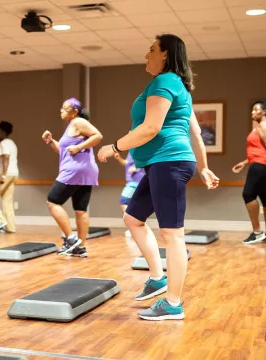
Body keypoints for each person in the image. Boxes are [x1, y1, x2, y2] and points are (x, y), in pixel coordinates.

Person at [97, 34, 219, 321]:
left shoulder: (165, 82)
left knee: (173, 233)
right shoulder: (179, 88)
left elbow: (150, 128)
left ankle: (173, 303)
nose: (146, 55)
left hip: (169, 163)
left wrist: (114, 146)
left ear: (166, 54)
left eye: (152, 50)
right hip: (162, 163)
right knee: (133, 219)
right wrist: (202, 167)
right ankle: (157, 278)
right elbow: (197, 135)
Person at [42, 98, 103, 258]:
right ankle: (80, 247)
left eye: (65, 108)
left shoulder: (79, 122)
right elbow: (63, 152)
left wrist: (79, 147)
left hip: (74, 170)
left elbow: (98, 136)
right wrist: (51, 142)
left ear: (75, 111)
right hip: (85, 170)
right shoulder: (72, 126)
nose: (61, 110)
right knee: (80, 210)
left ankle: (70, 238)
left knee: (53, 201)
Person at [232, 100, 266, 244]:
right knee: (265, 198)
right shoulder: (258, 127)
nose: (252, 112)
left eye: (255, 110)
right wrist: (245, 162)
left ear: (264, 112)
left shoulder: (263, 126)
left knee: (248, 194)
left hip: (260, 165)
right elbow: (259, 149)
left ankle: (257, 232)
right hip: (259, 163)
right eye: (252, 110)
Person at [113, 151, 145, 238]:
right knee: (131, 204)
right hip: (131, 182)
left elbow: (147, 161)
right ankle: (136, 226)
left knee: (124, 202)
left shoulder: (143, 149)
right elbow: (127, 164)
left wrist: (137, 168)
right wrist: (119, 158)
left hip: (136, 182)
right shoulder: (132, 151)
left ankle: (135, 226)